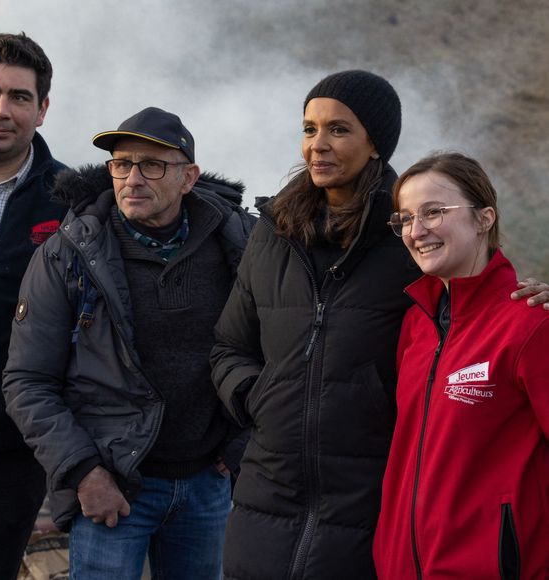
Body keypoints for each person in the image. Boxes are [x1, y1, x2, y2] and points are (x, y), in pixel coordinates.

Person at [210, 70, 549, 580]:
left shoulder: (417, 252)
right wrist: (263, 400)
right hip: (268, 499)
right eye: (308, 129)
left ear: (376, 144)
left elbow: (480, 308)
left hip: (367, 509)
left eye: (339, 129)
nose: (318, 145)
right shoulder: (272, 236)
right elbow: (228, 348)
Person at [2, 107, 255, 580]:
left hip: (208, 486)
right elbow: (27, 381)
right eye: (121, 164)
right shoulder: (68, 254)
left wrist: (241, 446)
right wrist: (83, 473)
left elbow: (276, 357)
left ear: (188, 177)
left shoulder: (240, 245)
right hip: (112, 490)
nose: (132, 178)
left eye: (151, 165)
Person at [374, 152, 549, 579]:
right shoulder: (416, 324)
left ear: (484, 218)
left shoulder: (531, 323)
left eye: (434, 212)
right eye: (406, 219)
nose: (417, 231)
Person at [0, 32, 67, 579]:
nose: (2, 110)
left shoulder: (73, 203)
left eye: (20, 97)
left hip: (13, 456)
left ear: (43, 108)